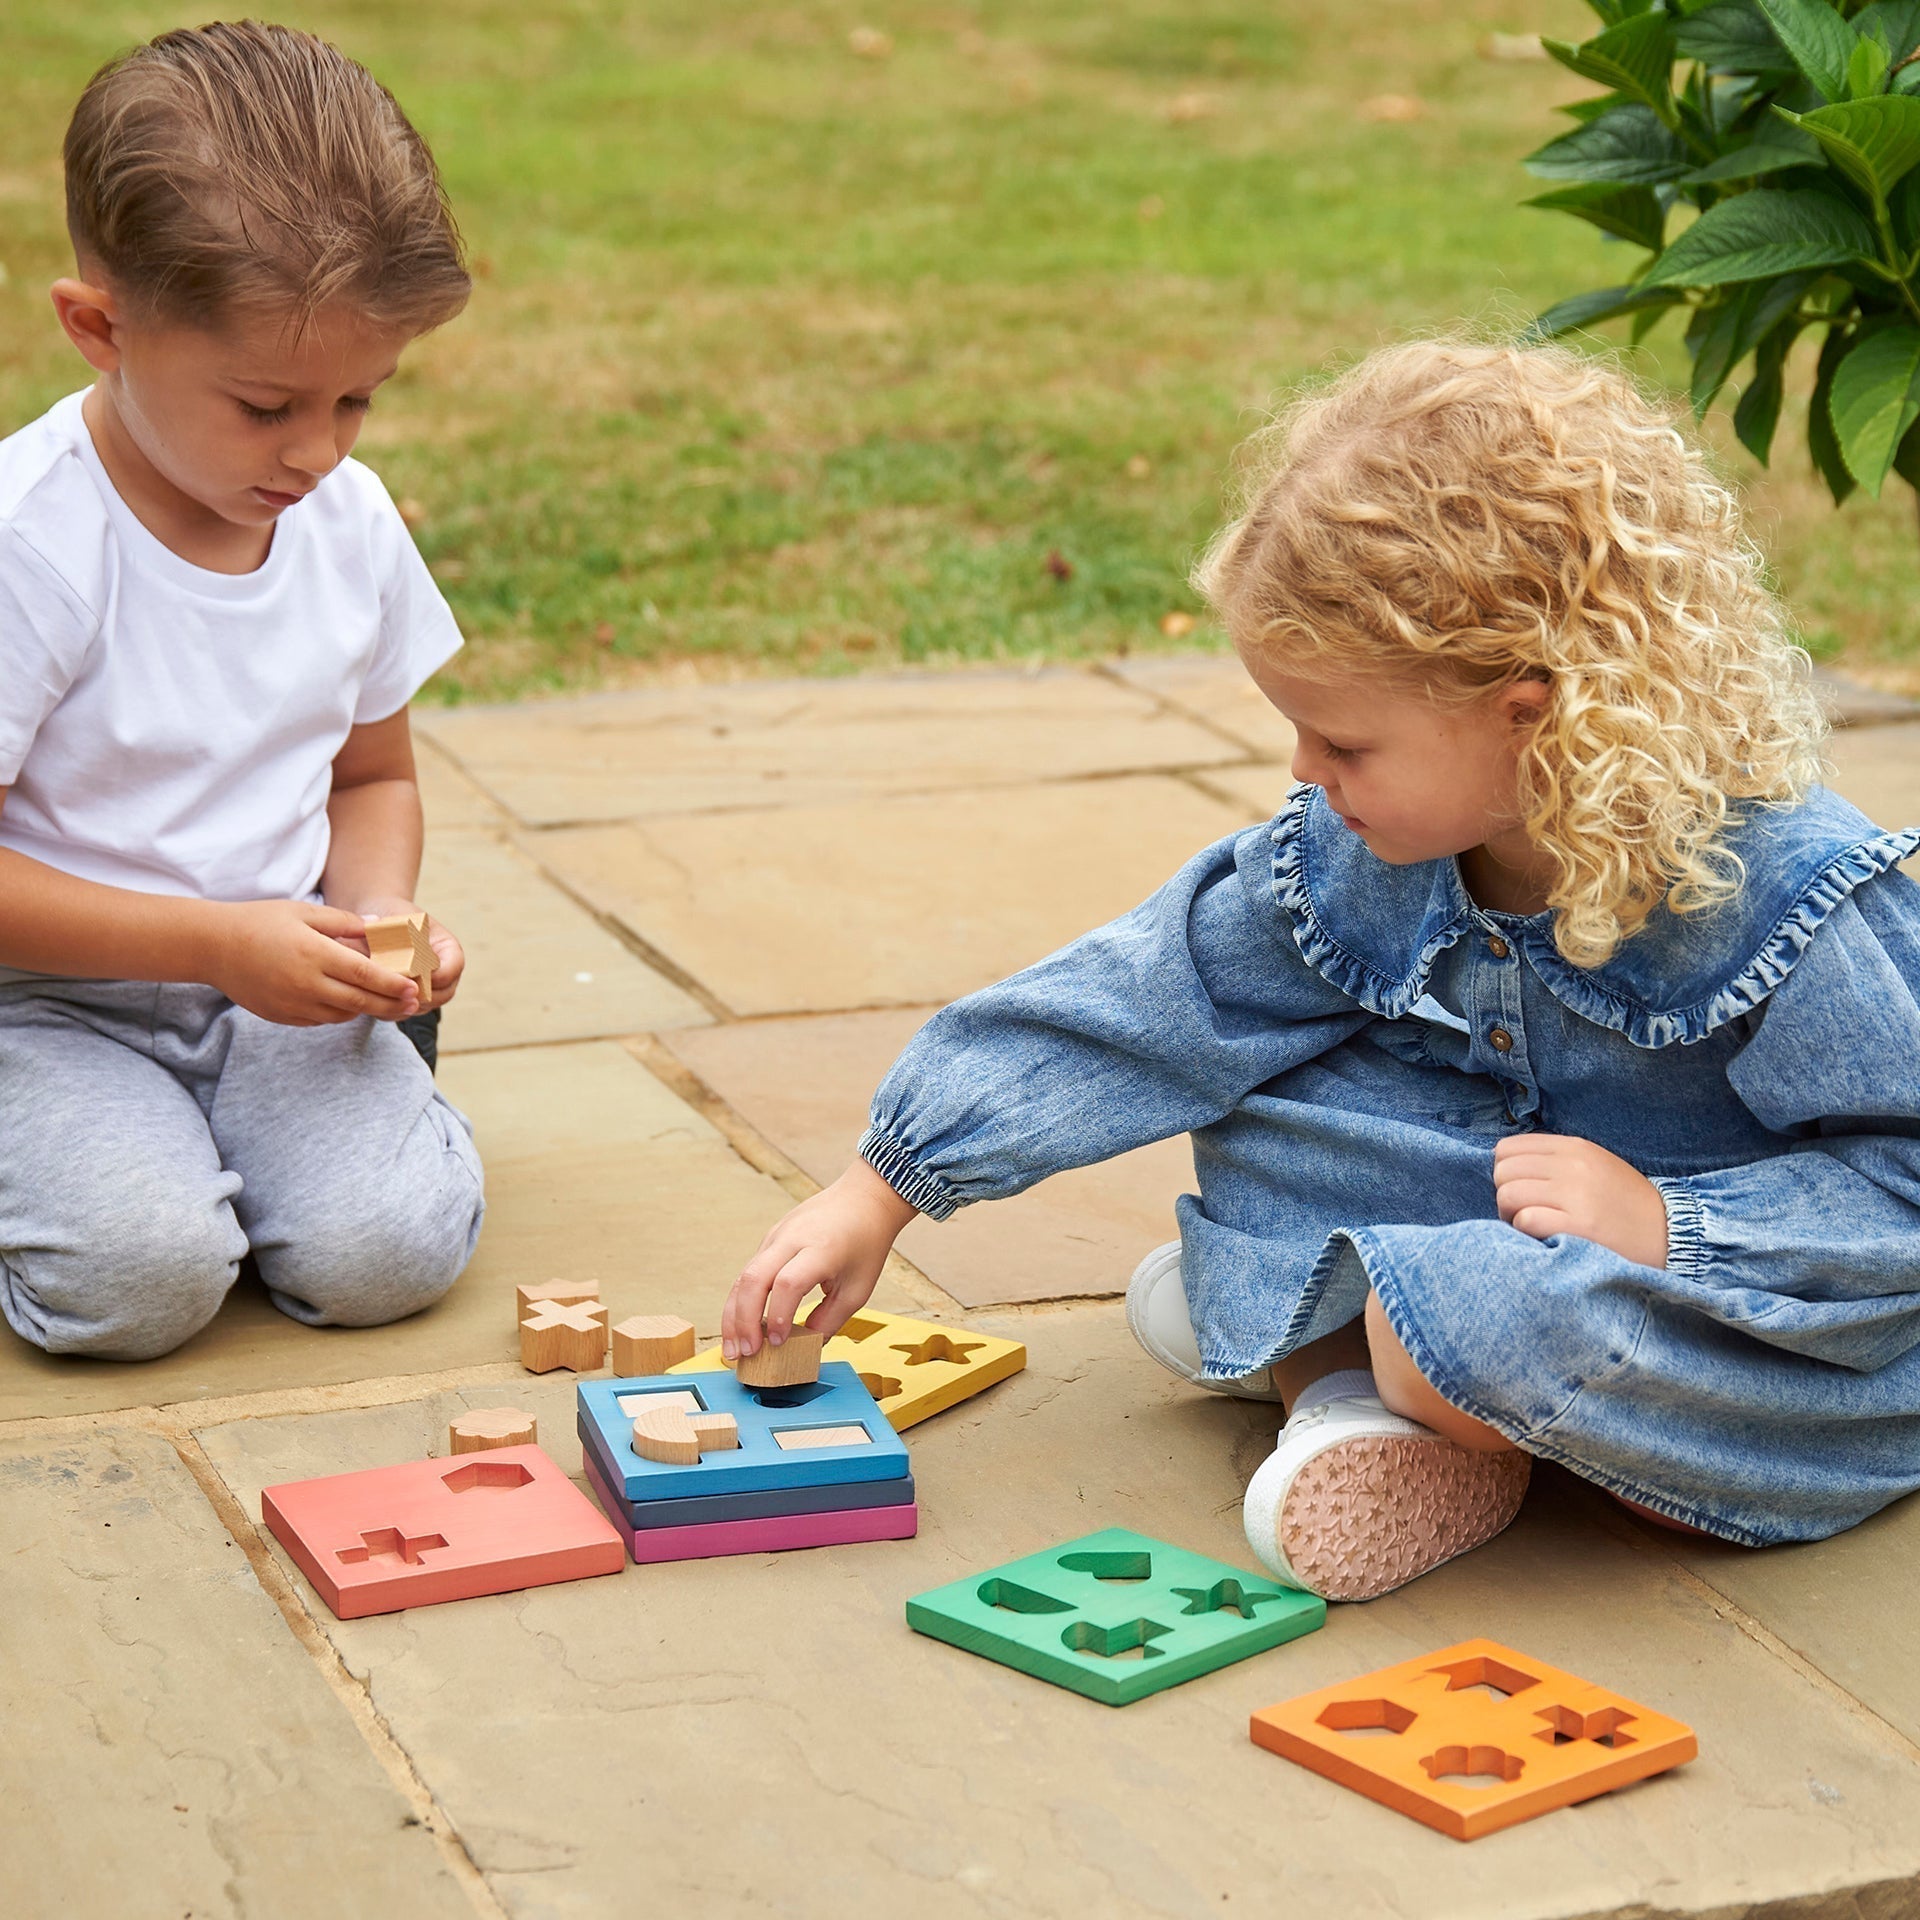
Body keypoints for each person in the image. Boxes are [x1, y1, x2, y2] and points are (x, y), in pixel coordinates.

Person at [720, 340, 1920, 1601]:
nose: (1304, 771)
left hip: (1712, 1286)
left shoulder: (1792, 890)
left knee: (1484, 1321)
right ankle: (1396, 1388)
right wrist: (880, 1189)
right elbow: (1147, 1000)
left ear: (1535, 708)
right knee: (1263, 1105)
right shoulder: (1360, 851)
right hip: (1505, 1204)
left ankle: (1365, 1378)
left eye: (1342, 739)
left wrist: (1668, 1230)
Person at [0, 22, 485, 1362]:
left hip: (271, 986)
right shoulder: (33, 546)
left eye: (359, 402)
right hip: (38, 1002)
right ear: (99, 328)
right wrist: (213, 943)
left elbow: (372, 774)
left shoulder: (347, 518)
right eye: (269, 405)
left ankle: (288, 1138)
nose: (318, 452)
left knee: (385, 1255)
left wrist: (375, 911)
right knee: (137, 1285)